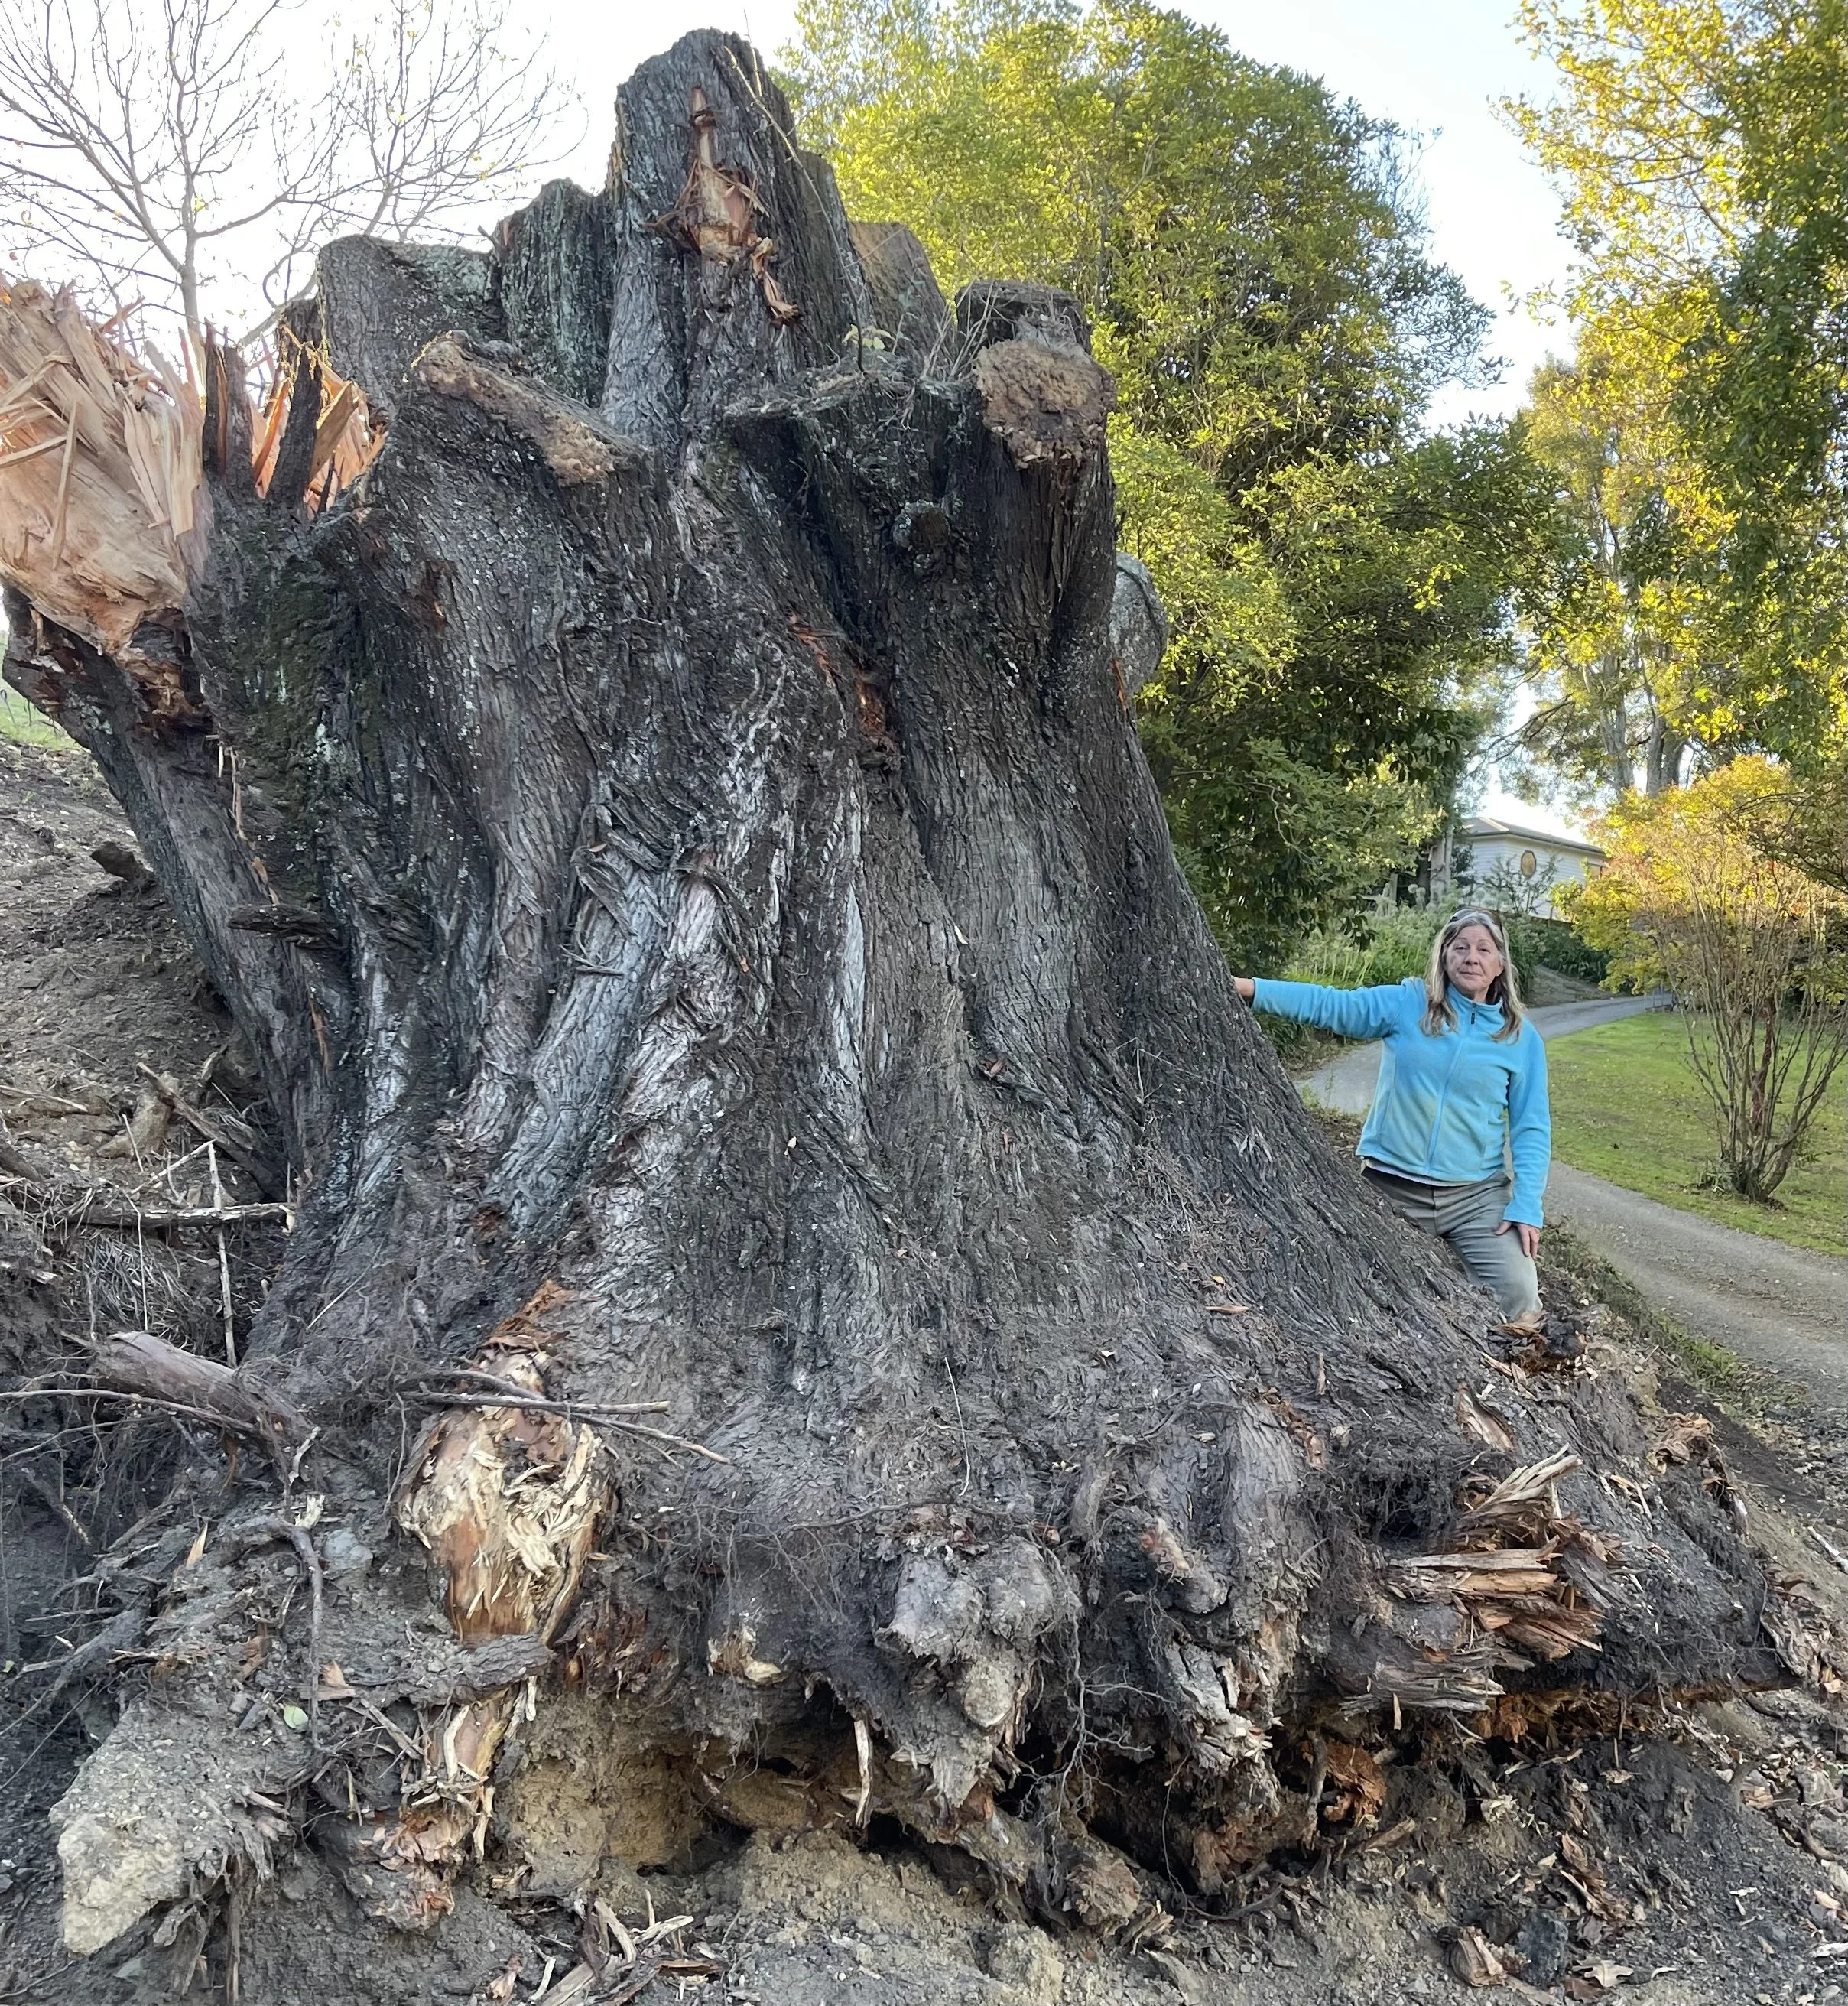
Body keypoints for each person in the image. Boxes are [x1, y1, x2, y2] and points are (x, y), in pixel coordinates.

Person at [1234, 909, 1549, 1326]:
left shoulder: (1521, 1038)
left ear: (1499, 965)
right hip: (1391, 1189)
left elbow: (1532, 1129)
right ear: (1444, 957)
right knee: (1353, 1288)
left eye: (1483, 950)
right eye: (1460, 947)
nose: (1471, 957)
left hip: (1476, 1199)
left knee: (1521, 1295)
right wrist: (1251, 989)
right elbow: (1332, 1005)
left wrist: (1527, 1205)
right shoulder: (1409, 1003)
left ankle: (1505, 1381)